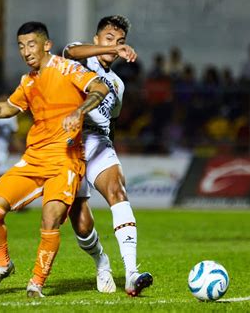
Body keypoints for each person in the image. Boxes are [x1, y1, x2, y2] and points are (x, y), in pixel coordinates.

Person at [0, 21, 109, 298]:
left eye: (31, 44)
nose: (26, 51)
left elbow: (100, 88)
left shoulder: (68, 68)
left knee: (50, 218)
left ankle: (36, 283)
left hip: (65, 159)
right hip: (34, 158)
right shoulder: (28, 81)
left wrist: (79, 111)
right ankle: (3, 264)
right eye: (21, 46)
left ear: (46, 45)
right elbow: (6, 108)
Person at [63, 15, 153, 297]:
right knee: (79, 218)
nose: (115, 46)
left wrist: (109, 151)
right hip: (67, 142)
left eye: (121, 42)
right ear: (97, 39)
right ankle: (101, 262)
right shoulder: (79, 58)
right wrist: (112, 50)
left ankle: (130, 273)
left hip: (97, 141)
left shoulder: (117, 85)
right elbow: (70, 52)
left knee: (117, 191)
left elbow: (111, 123)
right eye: (109, 39)